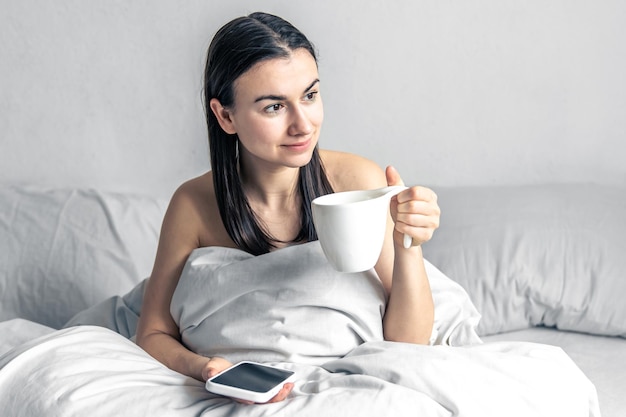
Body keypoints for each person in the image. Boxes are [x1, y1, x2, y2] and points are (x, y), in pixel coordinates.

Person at [135, 11, 440, 404]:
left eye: (310, 96)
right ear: (225, 116)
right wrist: (208, 368)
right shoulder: (193, 204)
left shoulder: (360, 182)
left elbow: (410, 342)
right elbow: (153, 333)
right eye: (274, 107)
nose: (303, 125)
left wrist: (408, 243)